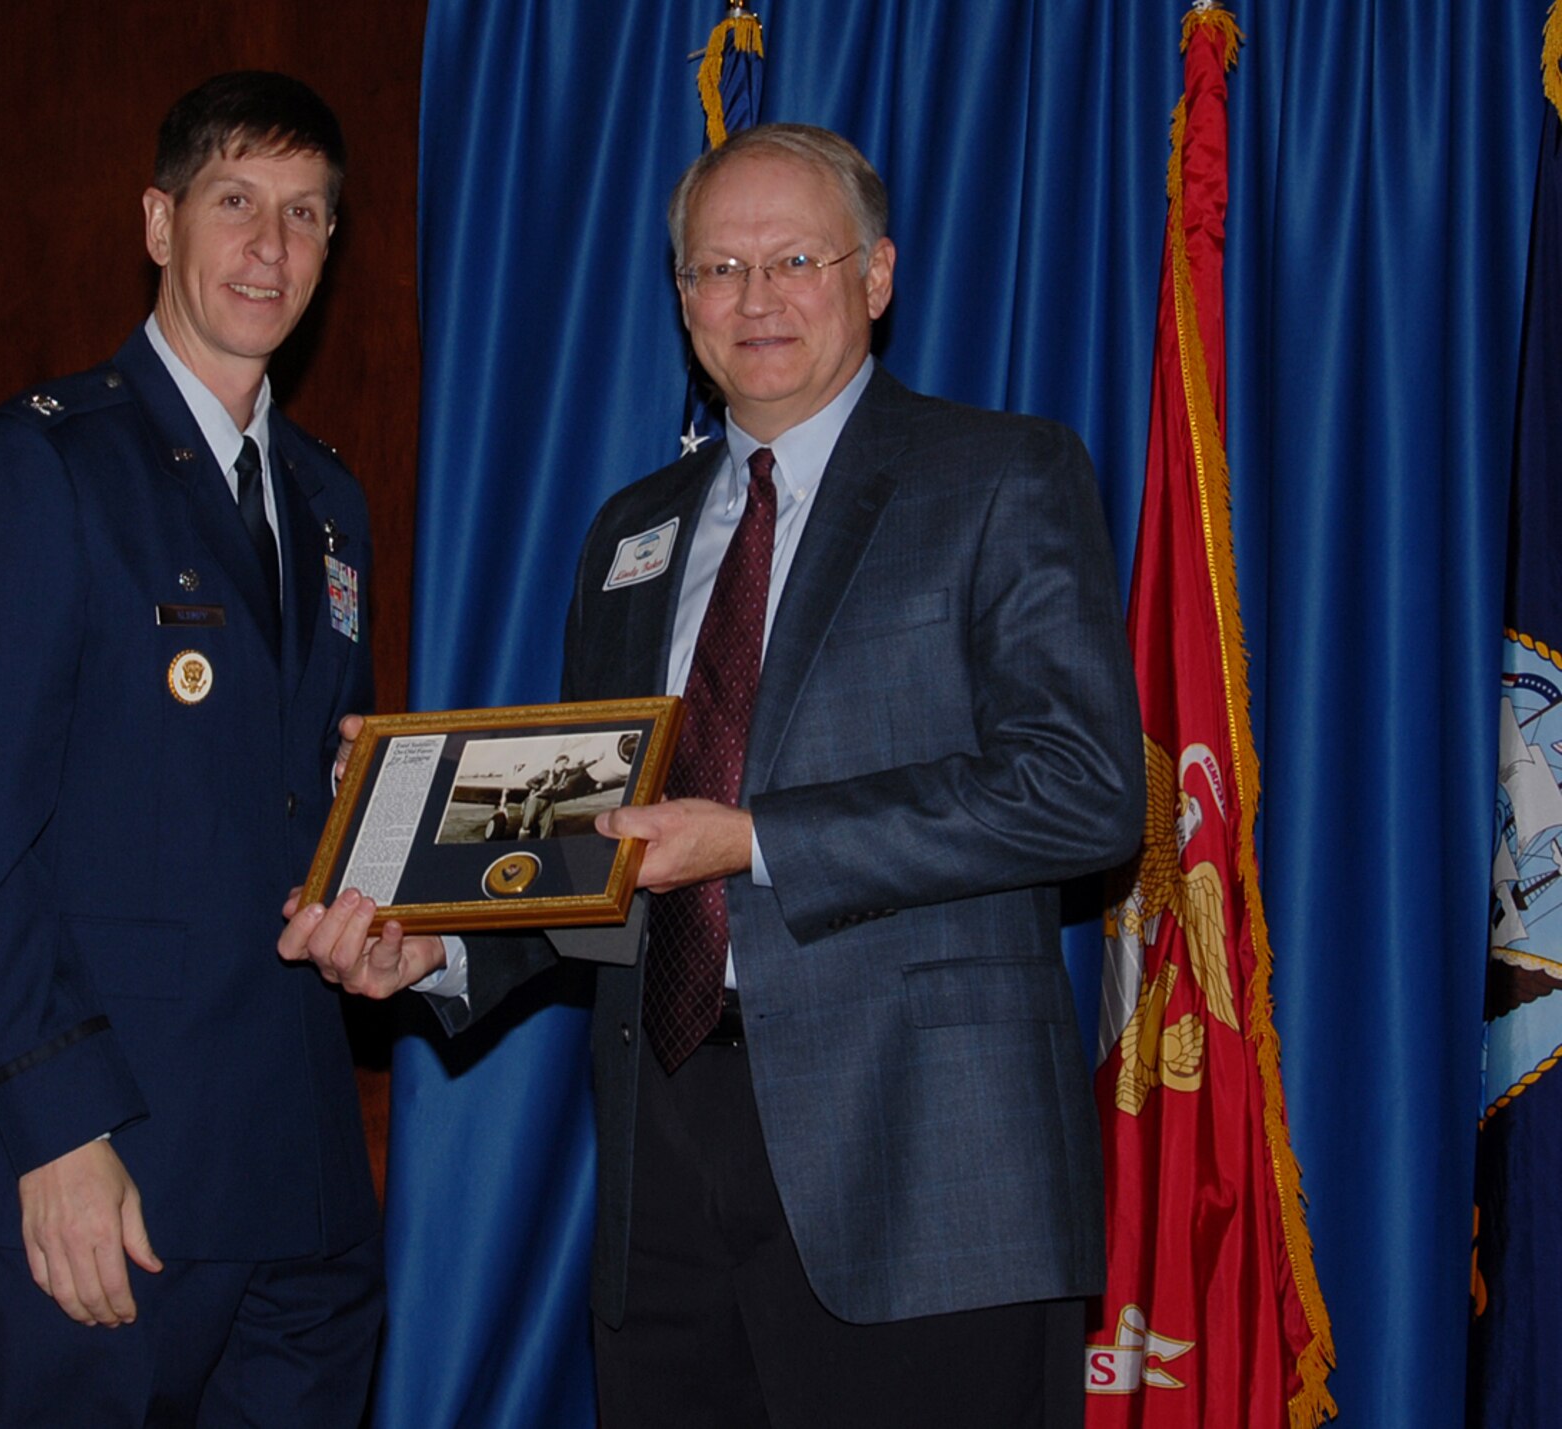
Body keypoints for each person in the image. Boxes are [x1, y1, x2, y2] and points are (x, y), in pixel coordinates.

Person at [281, 123, 1143, 1427]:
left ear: (878, 274)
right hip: (666, 1170)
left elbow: (1084, 788)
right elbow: (599, 841)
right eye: (716, 269)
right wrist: (439, 947)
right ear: (681, 298)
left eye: (795, 258)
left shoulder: (1000, 476)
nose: (755, 299)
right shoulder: (631, 530)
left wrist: (757, 838)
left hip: (924, 1181)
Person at [0, 71, 380, 1427]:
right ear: (160, 222)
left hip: (297, 1180)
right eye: (237, 203)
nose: (271, 248)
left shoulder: (330, 500)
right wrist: (54, 1128)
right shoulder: (43, 466)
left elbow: (281, 789)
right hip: (110, 1168)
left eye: (305, 215)